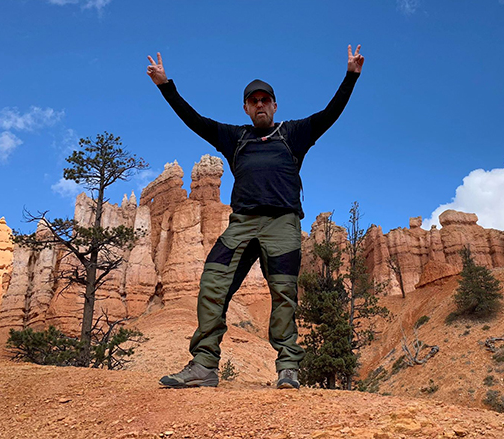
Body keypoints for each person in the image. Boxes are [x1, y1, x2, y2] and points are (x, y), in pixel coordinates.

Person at [146, 45, 364, 389]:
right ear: (246, 108)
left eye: (266, 100)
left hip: (282, 224)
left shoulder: (293, 133)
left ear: (275, 106)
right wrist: (165, 85)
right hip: (241, 225)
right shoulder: (235, 137)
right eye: (254, 100)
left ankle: (288, 368)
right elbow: (196, 121)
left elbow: (329, 114)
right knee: (212, 285)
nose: (260, 104)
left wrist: (351, 76)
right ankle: (203, 366)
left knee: (283, 294)